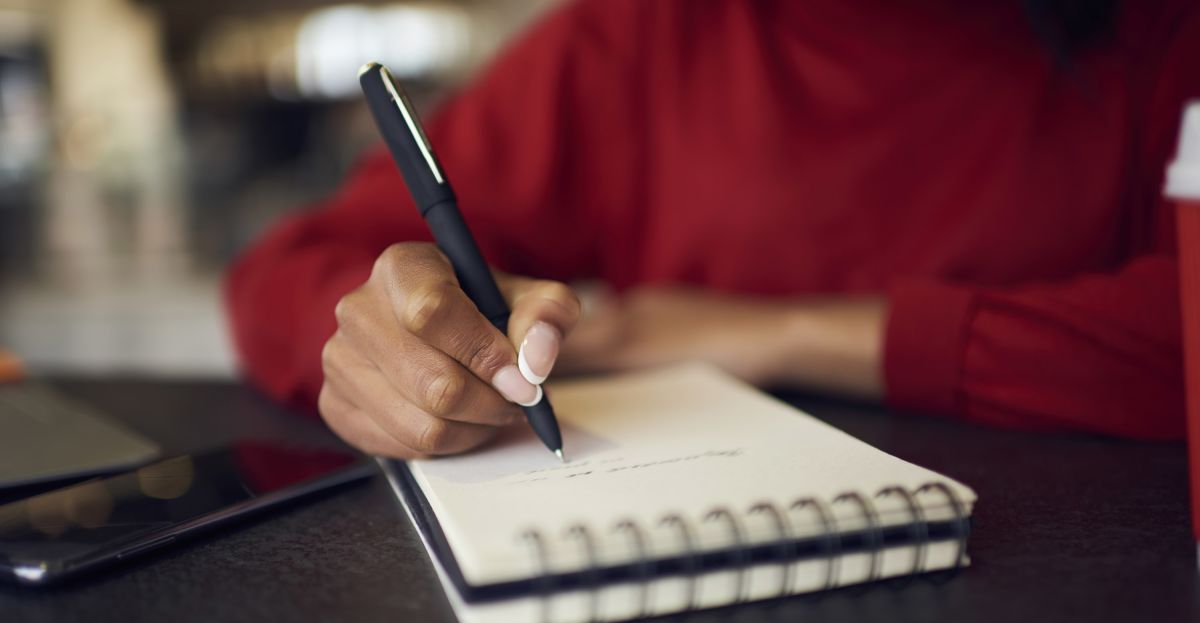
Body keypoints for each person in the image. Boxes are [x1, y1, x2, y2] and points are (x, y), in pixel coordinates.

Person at [226, 0, 1200, 460]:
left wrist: (772, 334)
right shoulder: (634, 42)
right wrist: (383, 341)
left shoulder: (1160, 39)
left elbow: (1181, 333)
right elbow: (291, 274)